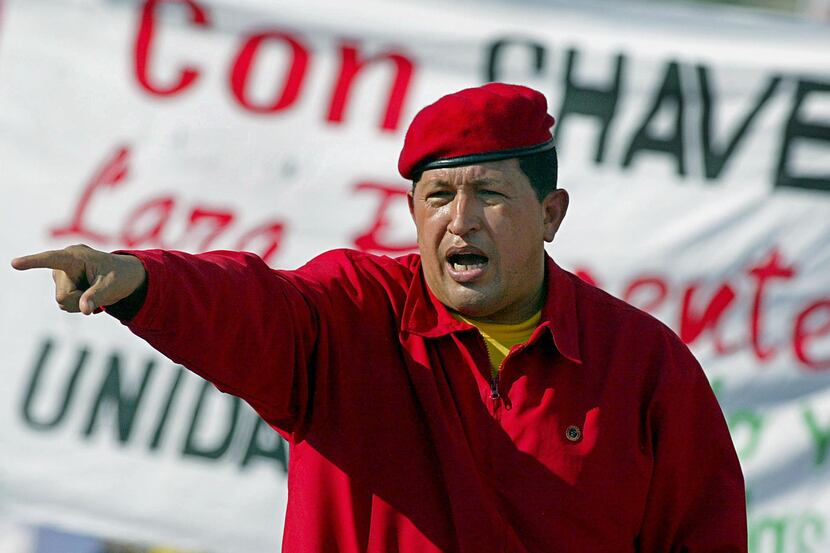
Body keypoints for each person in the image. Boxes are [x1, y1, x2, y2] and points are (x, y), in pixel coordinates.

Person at [12, 83, 747, 552]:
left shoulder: (644, 366)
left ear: (550, 213)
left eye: (489, 193)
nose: (460, 222)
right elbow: (246, 307)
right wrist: (143, 282)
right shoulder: (351, 317)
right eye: (437, 198)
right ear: (411, 212)